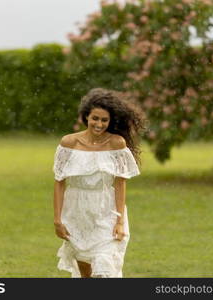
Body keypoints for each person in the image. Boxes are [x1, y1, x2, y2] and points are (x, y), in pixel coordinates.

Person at [52, 88, 148, 278]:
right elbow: (59, 183)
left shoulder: (117, 144)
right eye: (95, 118)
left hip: (106, 211)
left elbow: (120, 184)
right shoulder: (68, 143)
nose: (99, 124)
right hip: (76, 211)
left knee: (104, 265)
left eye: (104, 120)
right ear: (86, 116)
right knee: (84, 267)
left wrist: (120, 221)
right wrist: (57, 220)